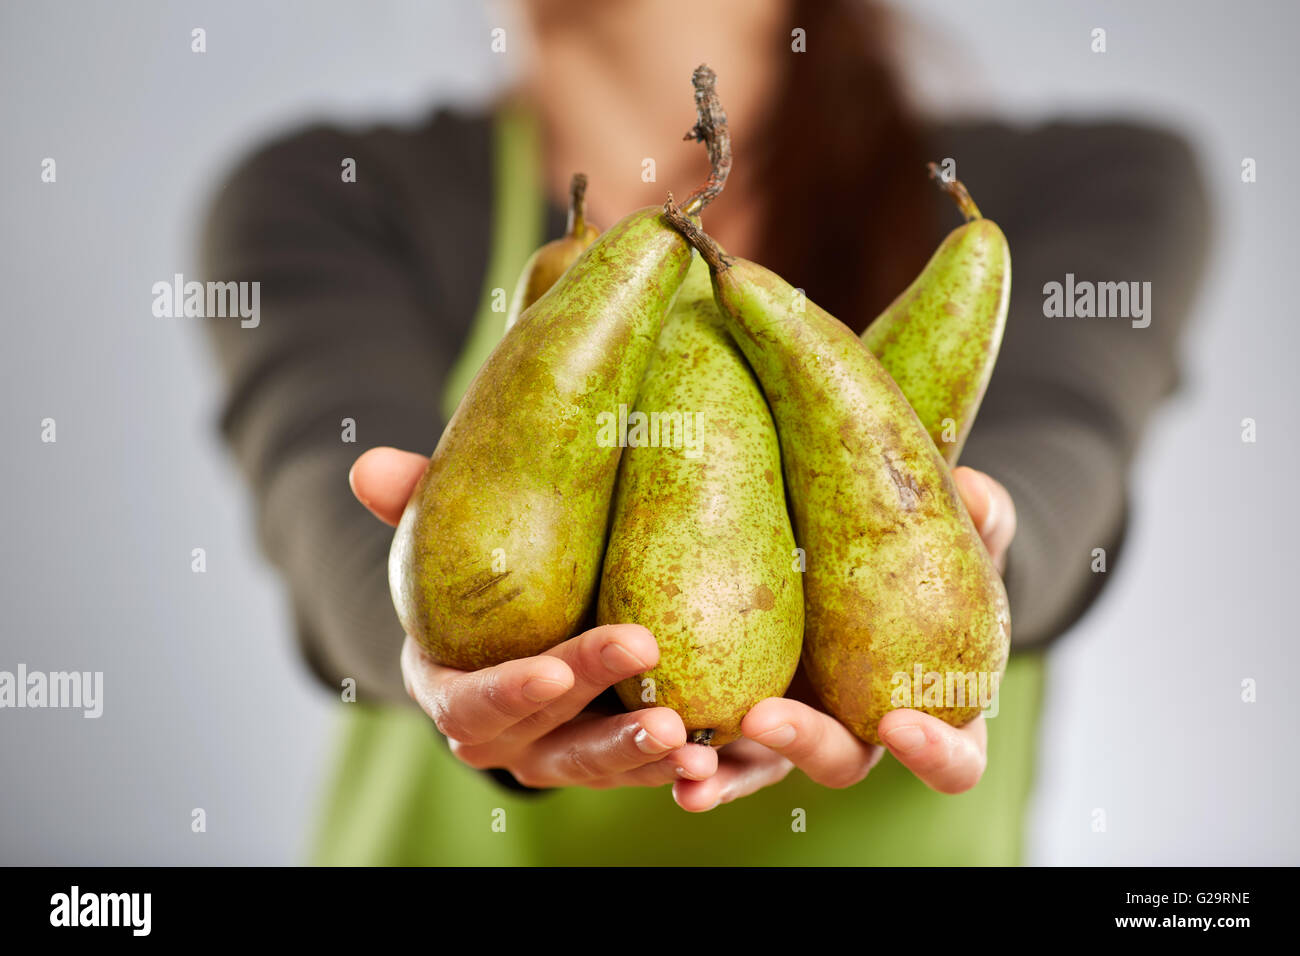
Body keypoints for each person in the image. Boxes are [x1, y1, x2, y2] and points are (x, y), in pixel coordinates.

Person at [200, 0, 1209, 864]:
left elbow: (1058, 465)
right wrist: (458, 666)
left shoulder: (1092, 184)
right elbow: (341, 540)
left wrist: (978, 540)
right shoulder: (332, 194)